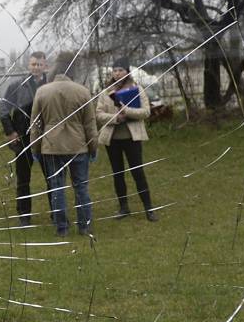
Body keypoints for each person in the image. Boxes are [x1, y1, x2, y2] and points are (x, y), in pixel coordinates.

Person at [29, 54, 98, 237]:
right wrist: (93, 147)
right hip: (78, 146)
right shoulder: (82, 91)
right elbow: (90, 124)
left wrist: (35, 149)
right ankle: (84, 226)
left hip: (51, 147)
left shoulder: (42, 91)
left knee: (57, 187)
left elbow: (35, 125)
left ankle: (62, 228)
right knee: (81, 187)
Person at [96, 57, 159, 221]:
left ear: (127, 71)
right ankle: (123, 207)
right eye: (115, 70)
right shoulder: (105, 92)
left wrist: (127, 111)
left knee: (138, 172)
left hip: (132, 138)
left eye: (120, 70)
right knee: (118, 173)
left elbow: (146, 112)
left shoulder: (137, 89)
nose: (117, 73)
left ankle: (149, 208)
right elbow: (99, 114)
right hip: (113, 139)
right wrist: (115, 118)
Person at [0, 51, 50, 226]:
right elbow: (3, 109)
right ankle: (24, 215)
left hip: (47, 138)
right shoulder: (16, 86)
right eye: (33, 64)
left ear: (45, 66)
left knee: (52, 176)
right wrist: (10, 132)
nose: (36, 67)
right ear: (29, 65)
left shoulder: (51, 86)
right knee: (23, 178)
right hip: (22, 138)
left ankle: (56, 213)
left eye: (39, 64)